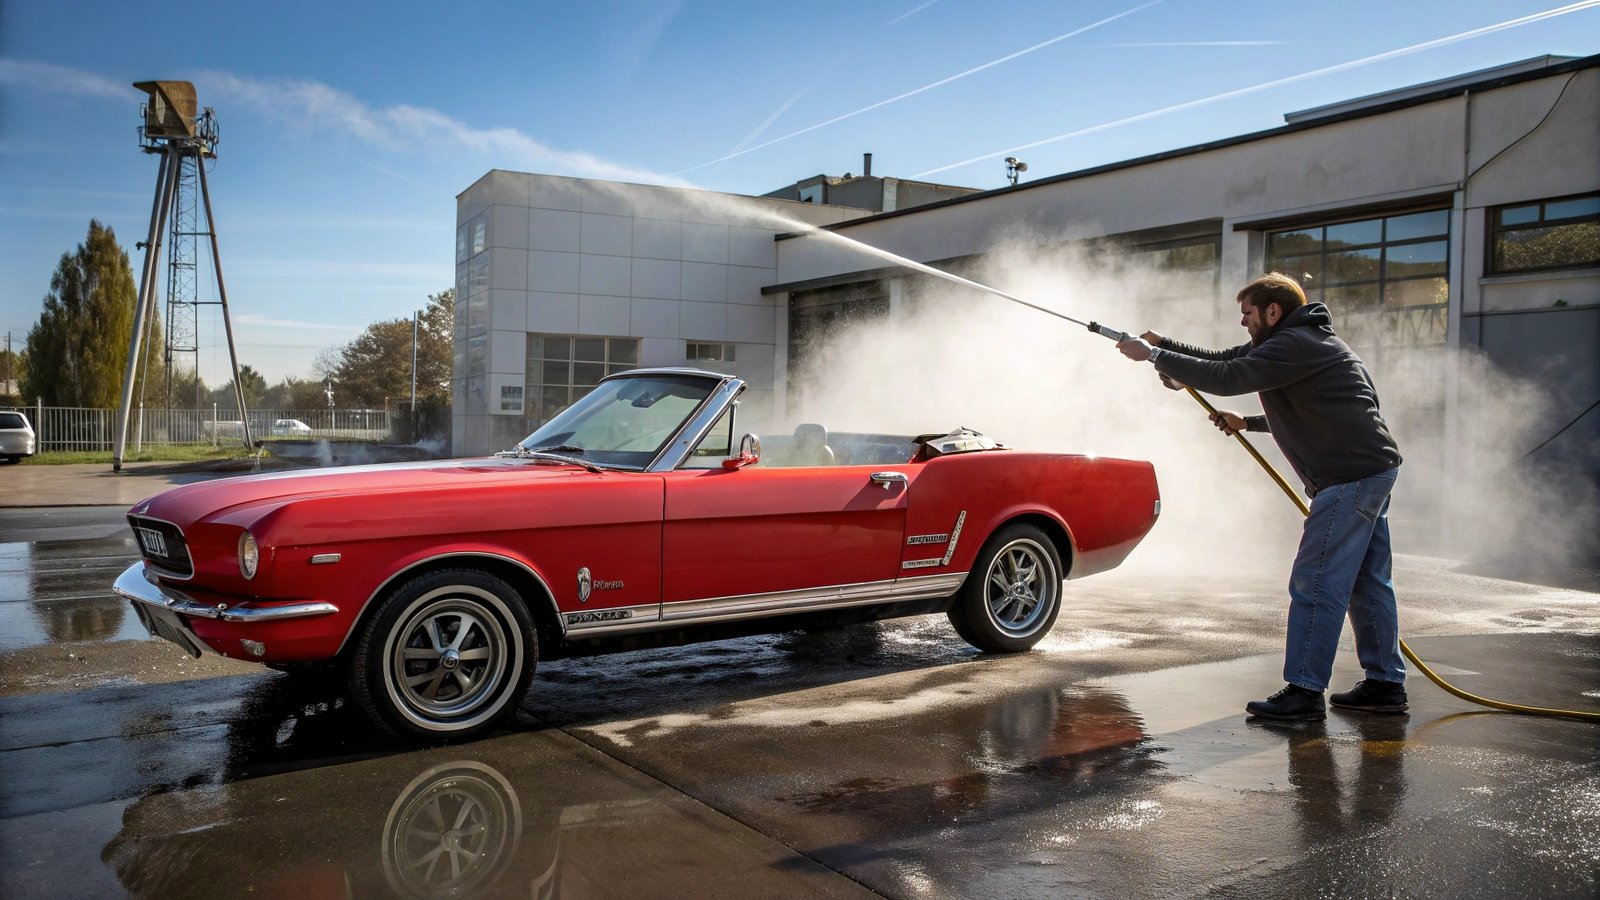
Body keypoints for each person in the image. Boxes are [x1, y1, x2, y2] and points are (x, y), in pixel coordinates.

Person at [1116, 272, 1407, 721]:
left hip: (1350, 476)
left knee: (1317, 580)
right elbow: (1233, 364)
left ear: (1273, 311)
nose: (1242, 323)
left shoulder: (1298, 344)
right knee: (1367, 581)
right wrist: (1241, 417)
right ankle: (1385, 685)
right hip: (1368, 471)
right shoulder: (1301, 343)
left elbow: (1229, 375)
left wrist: (1153, 354)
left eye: (1247, 313)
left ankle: (1305, 692)